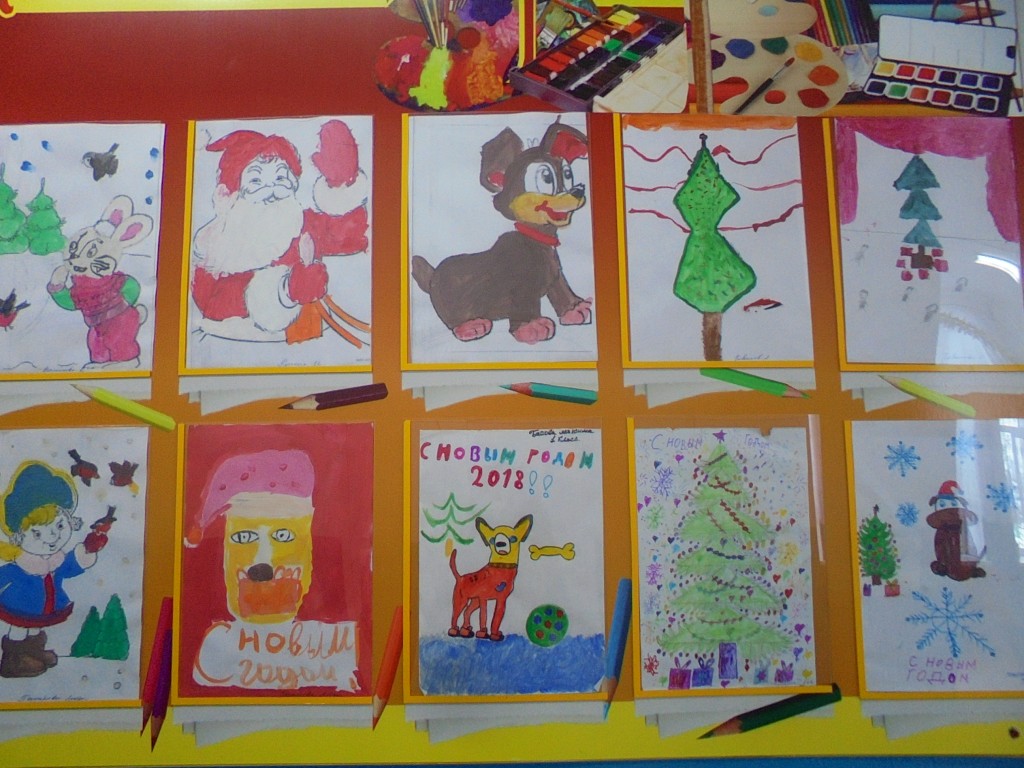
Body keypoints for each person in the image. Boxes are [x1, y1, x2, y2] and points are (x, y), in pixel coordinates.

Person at [190, 119, 369, 343]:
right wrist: (287, 290)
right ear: (229, 193)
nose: (271, 189)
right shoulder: (216, 249)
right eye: (256, 180)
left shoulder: (300, 224)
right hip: (229, 345)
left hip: (308, 345)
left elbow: (349, 236)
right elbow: (213, 304)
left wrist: (342, 181)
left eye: (280, 177)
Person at [0, 462, 106, 678]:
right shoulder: (20, 565)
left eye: (59, 526)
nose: (53, 537)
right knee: (20, 629)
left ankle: (34, 652)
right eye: (37, 533)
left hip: (44, 607)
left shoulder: (56, 560)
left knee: (35, 629)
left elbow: (71, 566)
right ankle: (14, 660)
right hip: (18, 606)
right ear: (19, 537)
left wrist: (87, 550)